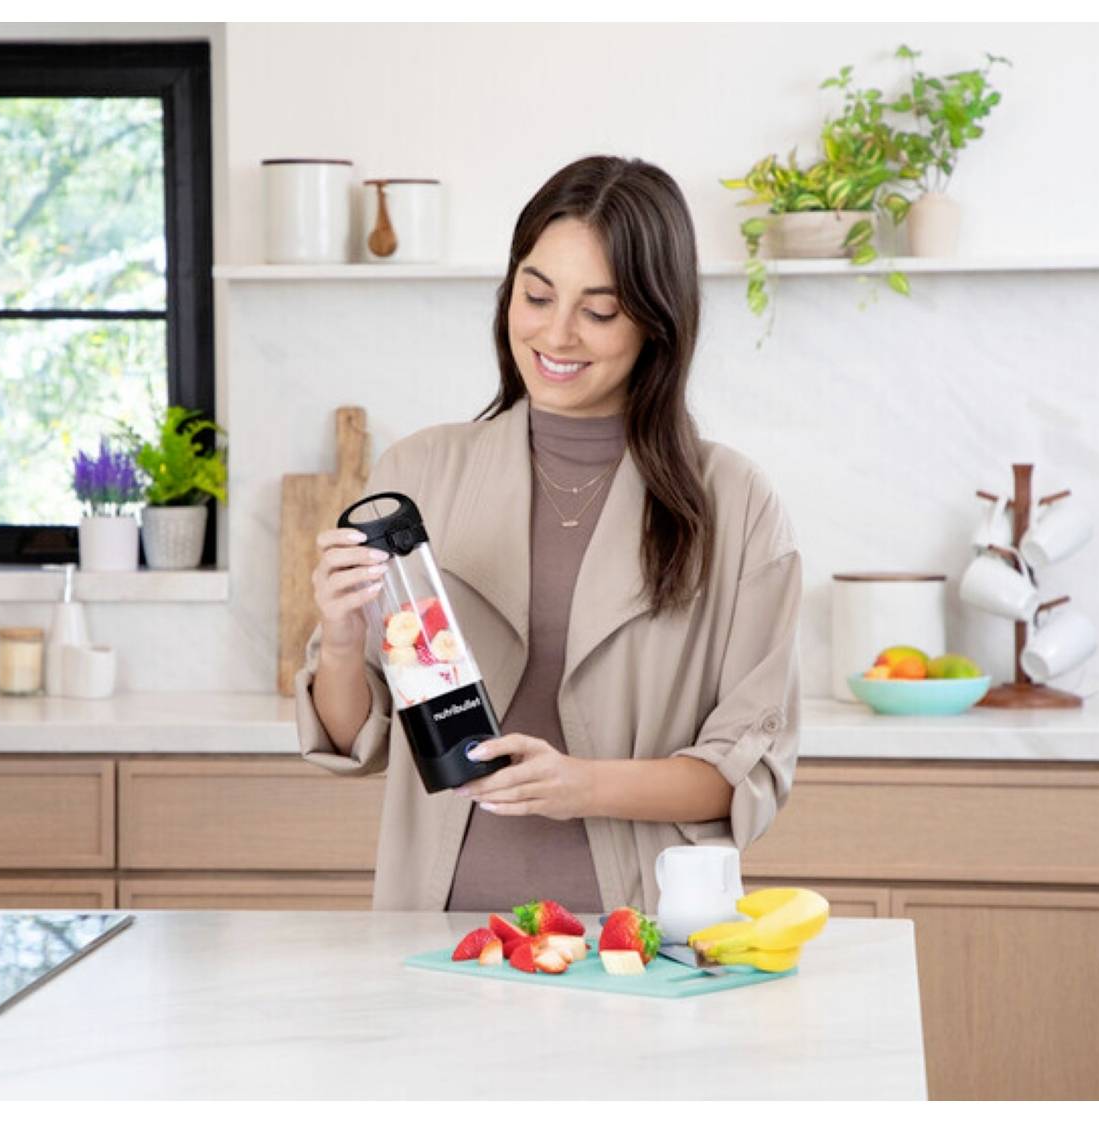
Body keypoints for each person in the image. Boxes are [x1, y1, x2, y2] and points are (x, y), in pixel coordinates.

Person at [294, 155, 802, 915]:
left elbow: (746, 770)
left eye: (599, 311)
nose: (557, 333)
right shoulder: (420, 473)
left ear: (657, 324)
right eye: (536, 295)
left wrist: (580, 784)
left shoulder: (734, 504)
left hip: (639, 943)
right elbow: (353, 738)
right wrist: (337, 638)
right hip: (437, 938)